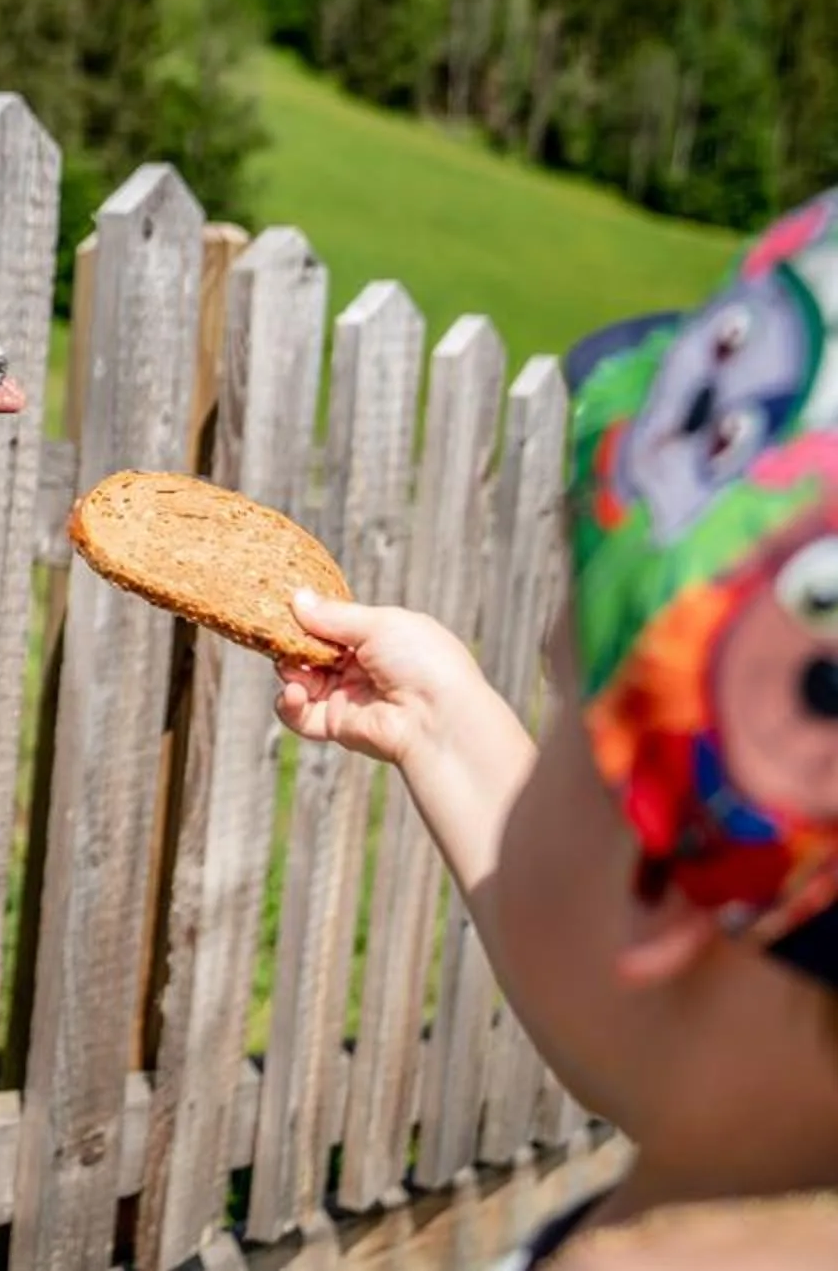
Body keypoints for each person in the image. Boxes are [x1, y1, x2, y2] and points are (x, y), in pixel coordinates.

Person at [273, 186, 838, 1266]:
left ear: (667, 891)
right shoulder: (761, 1149)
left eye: (562, 685)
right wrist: (442, 723)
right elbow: (645, 1018)